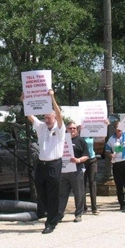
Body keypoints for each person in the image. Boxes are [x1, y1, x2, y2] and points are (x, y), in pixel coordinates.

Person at [23, 89, 65, 234]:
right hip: (42, 164)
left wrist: (52, 98)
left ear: (54, 118)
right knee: (41, 192)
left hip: (54, 164)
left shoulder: (59, 129)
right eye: (46, 118)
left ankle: (51, 223)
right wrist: (24, 101)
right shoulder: (41, 127)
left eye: (49, 118)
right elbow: (30, 116)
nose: (47, 120)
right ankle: (55, 213)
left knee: (53, 193)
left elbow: (59, 115)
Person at [58, 121, 88, 222]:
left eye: (74, 128)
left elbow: (86, 156)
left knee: (79, 193)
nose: (72, 130)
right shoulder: (61, 139)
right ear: (66, 129)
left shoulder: (81, 141)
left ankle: (78, 214)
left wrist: (78, 160)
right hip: (63, 170)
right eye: (70, 128)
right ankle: (59, 214)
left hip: (77, 170)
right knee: (62, 194)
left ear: (77, 130)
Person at [105, 122, 125, 212]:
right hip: (117, 163)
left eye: (122, 127)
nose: (120, 129)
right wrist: (110, 155)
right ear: (115, 129)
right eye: (118, 128)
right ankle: (121, 203)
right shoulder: (111, 139)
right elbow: (107, 150)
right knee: (119, 185)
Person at [82, 134, 98, 215]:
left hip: (92, 160)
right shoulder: (80, 135)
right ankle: (83, 207)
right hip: (82, 160)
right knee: (82, 183)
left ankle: (94, 207)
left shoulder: (92, 134)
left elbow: (101, 136)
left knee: (92, 182)